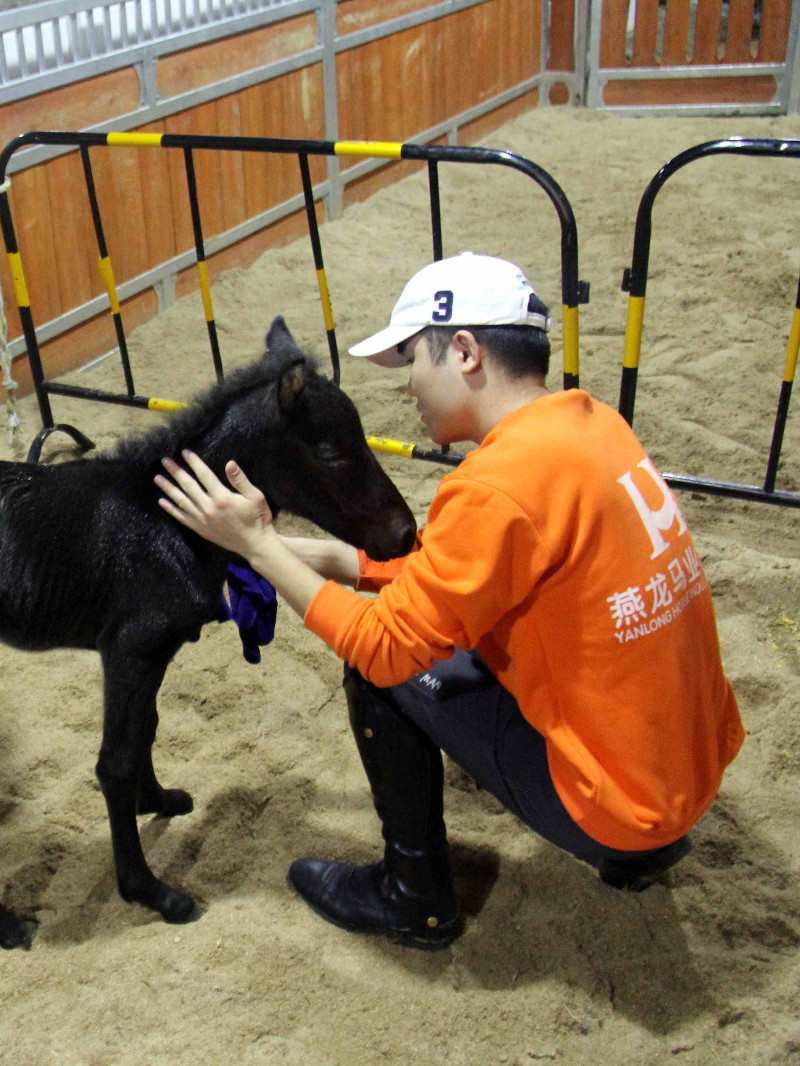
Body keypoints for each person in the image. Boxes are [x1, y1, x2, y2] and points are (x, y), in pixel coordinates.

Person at [154, 252, 743, 950]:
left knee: (381, 670)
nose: (408, 387)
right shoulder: (591, 427)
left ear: (464, 351)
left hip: (622, 806)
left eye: (413, 361)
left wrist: (259, 547)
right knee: (445, 641)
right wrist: (351, 564)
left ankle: (413, 896)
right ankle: (640, 845)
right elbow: (468, 581)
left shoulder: (497, 485)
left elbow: (382, 643)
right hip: (686, 772)